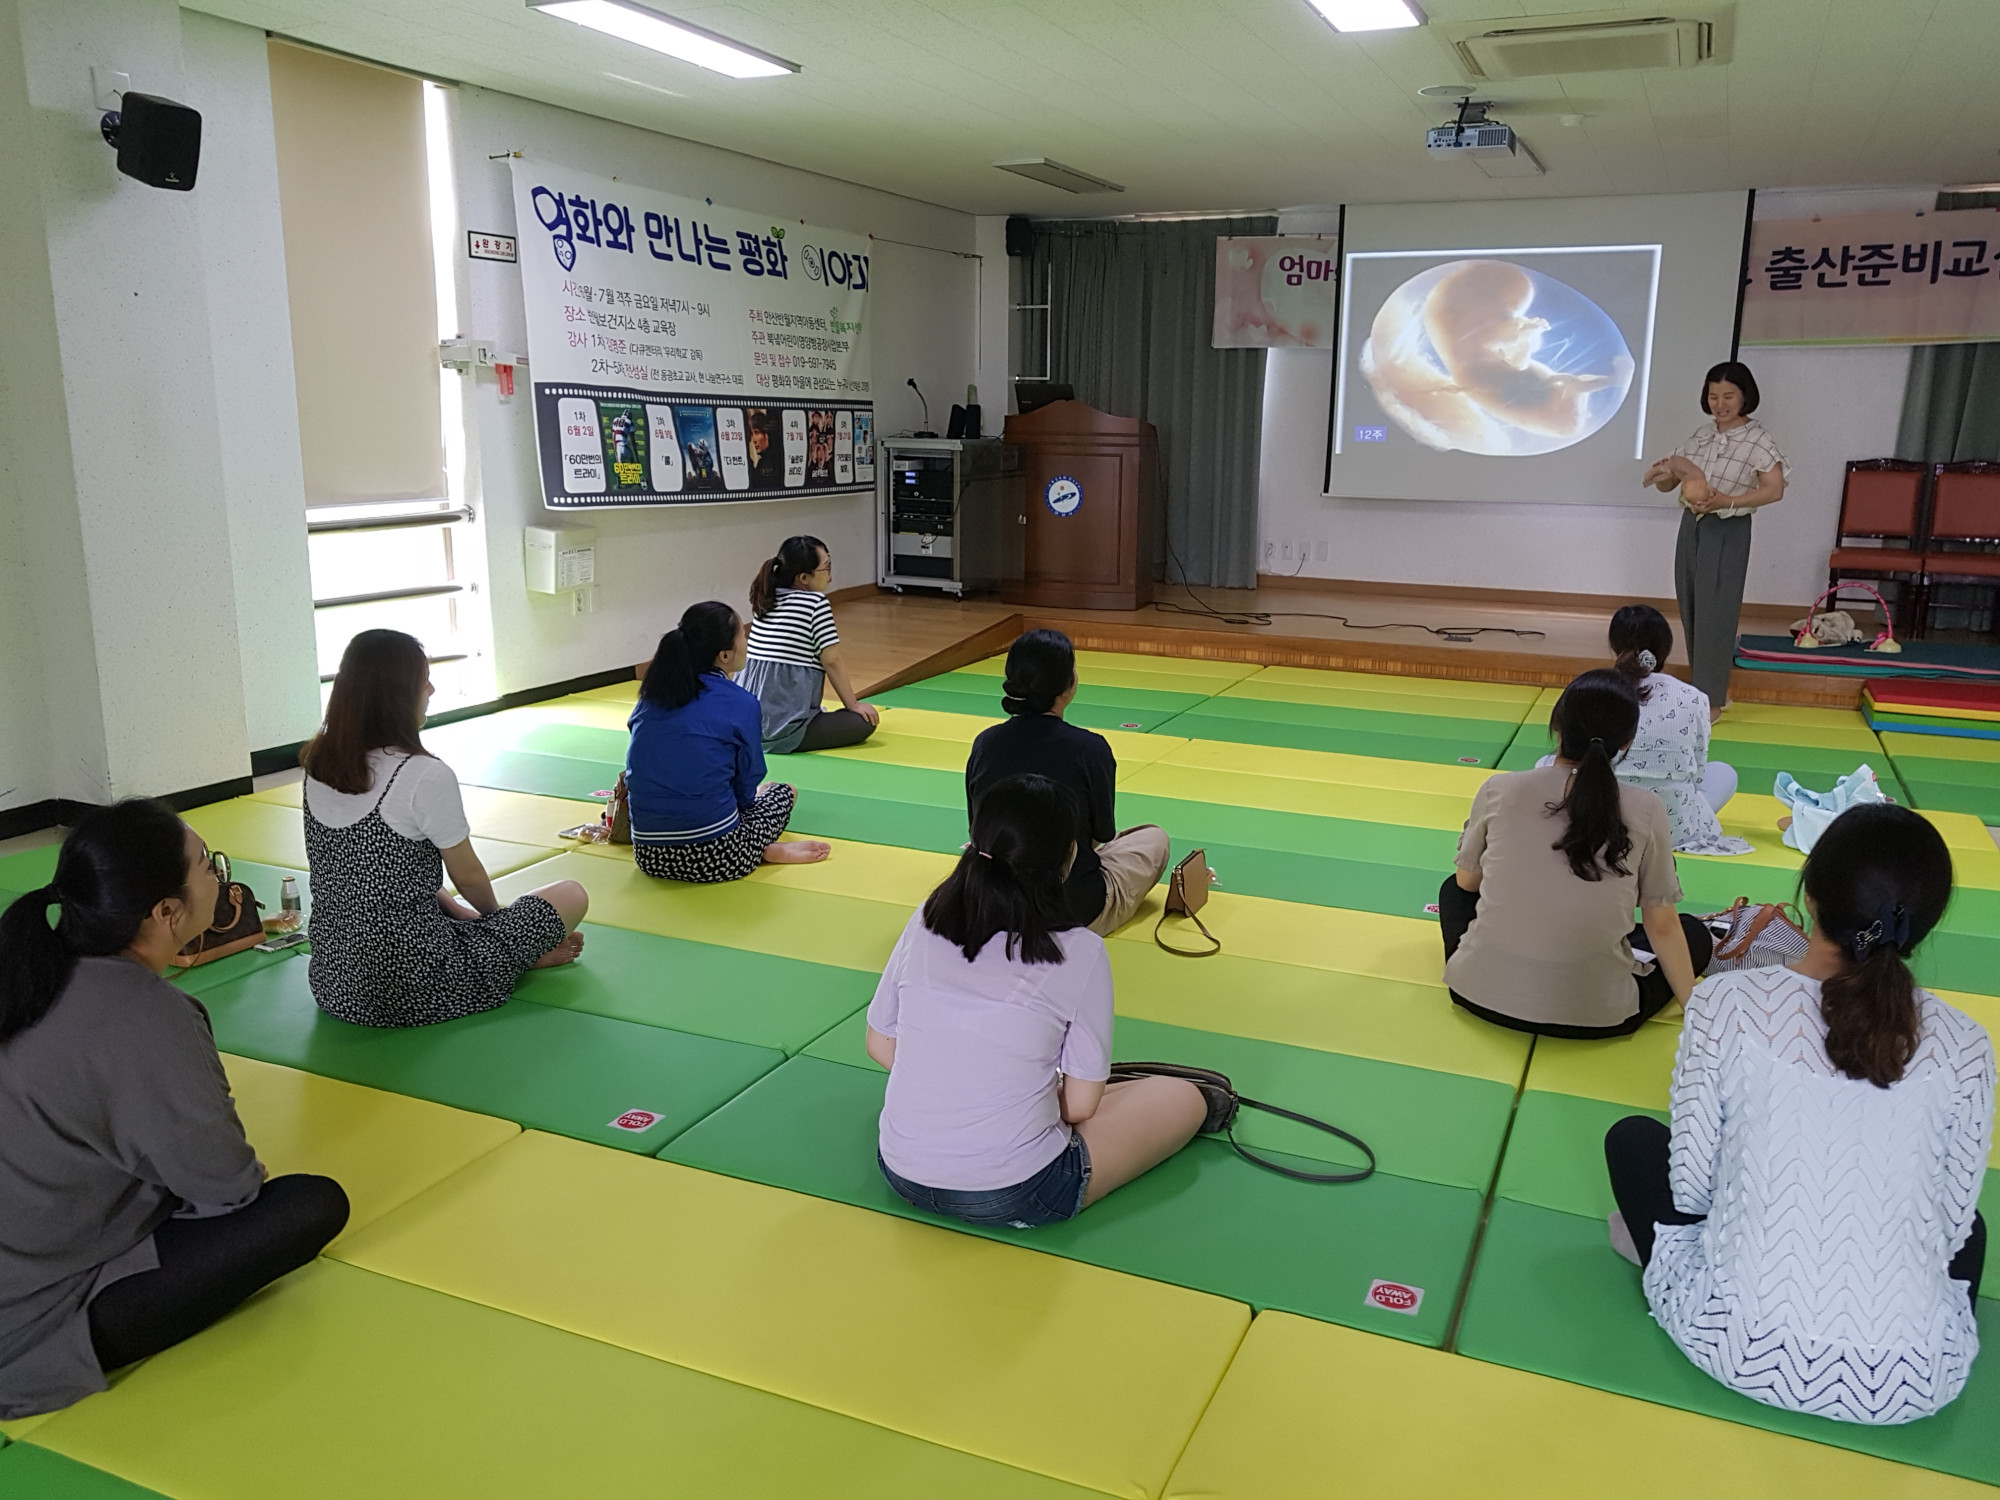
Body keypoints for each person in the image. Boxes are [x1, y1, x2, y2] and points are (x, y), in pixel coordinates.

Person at [1605, 804, 1990, 1426]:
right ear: (1928, 922)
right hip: (1911, 1380)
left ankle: (1661, 1258)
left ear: (1809, 896)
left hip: (1732, 1341)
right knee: (1972, 1227)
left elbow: (1693, 1189)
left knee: (1633, 1140)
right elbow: (1948, 1232)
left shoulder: (1726, 1003)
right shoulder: (1967, 1044)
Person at [0, 801, 350, 1418]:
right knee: (313, 1204)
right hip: (28, 1329)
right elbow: (228, 1186)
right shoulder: (149, 1016)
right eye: (207, 867)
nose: (219, 875)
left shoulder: (27, 968)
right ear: (166, 911)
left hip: (32, 1245)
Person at [867, 773, 1207, 1228]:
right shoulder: (1081, 951)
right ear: (1069, 856)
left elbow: (881, 1044)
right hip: (1021, 1190)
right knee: (1185, 1096)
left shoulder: (927, 916)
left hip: (900, 1170)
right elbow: (1082, 1107)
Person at [303, 630, 588, 1027]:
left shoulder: (319, 765)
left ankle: (502, 946)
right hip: (420, 986)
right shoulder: (421, 773)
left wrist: (458, 913)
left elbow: (379, 873)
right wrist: (498, 925)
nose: (431, 689)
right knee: (572, 894)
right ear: (399, 695)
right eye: (424, 680)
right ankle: (517, 956)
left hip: (336, 985)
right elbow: (468, 876)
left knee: (407, 880)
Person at [1438, 668, 1712, 1038]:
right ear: (1628, 740)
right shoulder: (1646, 808)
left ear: (1556, 726)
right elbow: (1660, 924)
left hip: (1475, 994)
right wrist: (1695, 1012)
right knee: (1692, 932)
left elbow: (1467, 881)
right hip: (1597, 1017)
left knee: (1452, 892)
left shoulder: (1500, 789)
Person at [964, 630, 1171, 937]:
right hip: (1072, 909)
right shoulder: (1091, 748)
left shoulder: (985, 744)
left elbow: (977, 828)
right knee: (1154, 839)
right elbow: (1100, 836)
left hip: (994, 903)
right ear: (1067, 684)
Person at [627, 600, 831, 882]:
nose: (747, 641)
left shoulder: (652, 696)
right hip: (721, 857)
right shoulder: (741, 702)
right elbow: (748, 780)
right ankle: (760, 850)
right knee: (784, 791)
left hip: (650, 856)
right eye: (743, 636)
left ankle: (756, 846)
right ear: (724, 655)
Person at [1540, 606, 1751, 857]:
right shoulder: (1694, 697)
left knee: (1544, 764)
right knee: (1724, 773)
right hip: (1671, 825)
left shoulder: (1595, 688)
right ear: (1666, 647)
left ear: (1614, 645)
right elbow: (1696, 770)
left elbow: (1571, 754)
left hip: (1597, 815)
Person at [1642, 360, 1787, 716]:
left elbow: (1774, 489)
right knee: (1692, 604)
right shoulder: (1701, 435)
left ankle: (1712, 701)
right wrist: (1664, 470)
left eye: (1728, 396)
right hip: (1692, 526)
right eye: (1713, 396)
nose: (1720, 404)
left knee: (1717, 611)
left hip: (1728, 527)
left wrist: (1730, 501)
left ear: (1745, 397)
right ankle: (1702, 689)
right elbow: (1669, 484)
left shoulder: (1758, 438)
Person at [741, 535, 878, 753]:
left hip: (746, 726)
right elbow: (832, 660)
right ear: (804, 577)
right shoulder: (815, 603)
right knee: (864, 721)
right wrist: (853, 705)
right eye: (826, 568)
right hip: (782, 727)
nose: (831, 575)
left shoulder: (766, 597)